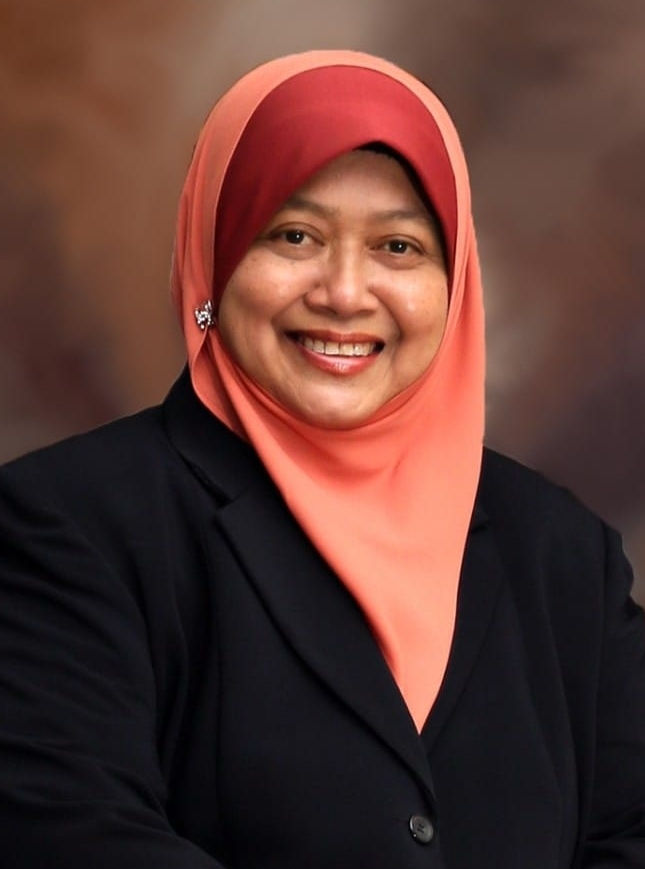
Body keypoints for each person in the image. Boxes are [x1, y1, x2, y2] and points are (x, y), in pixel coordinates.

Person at [0, 49, 643, 869]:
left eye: (398, 246)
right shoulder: (65, 524)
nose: (343, 292)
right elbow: (72, 835)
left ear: (455, 284)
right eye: (294, 235)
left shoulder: (560, 552)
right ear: (213, 257)